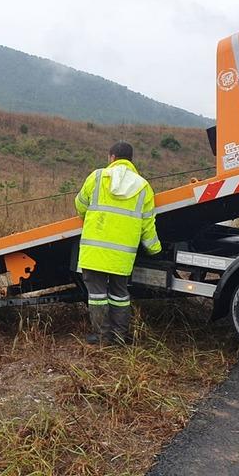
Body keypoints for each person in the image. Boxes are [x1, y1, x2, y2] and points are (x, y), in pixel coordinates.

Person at [74, 142, 161, 345]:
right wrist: (155, 249)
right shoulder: (143, 186)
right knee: (119, 295)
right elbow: (148, 224)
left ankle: (103, 337)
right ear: (131, 160)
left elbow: (80, 205)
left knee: (97, 296)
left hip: (94, 252)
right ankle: (121, 336)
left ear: (111, 157)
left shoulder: (97, 177)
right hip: (122, 256)